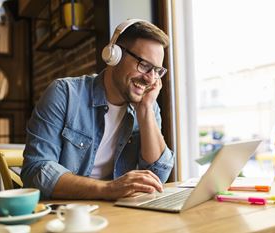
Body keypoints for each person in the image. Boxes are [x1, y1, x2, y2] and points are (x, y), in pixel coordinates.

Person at [20, 19, 174, 200]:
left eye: (156, 70)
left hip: (117, 214)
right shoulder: (65, 94)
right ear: (114, 55)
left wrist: (146, 110)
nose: (150, 79)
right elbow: (36, 170)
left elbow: (158, 176)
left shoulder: (147, 104)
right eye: (144, 65)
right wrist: (108, 189)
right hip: (66, 215)